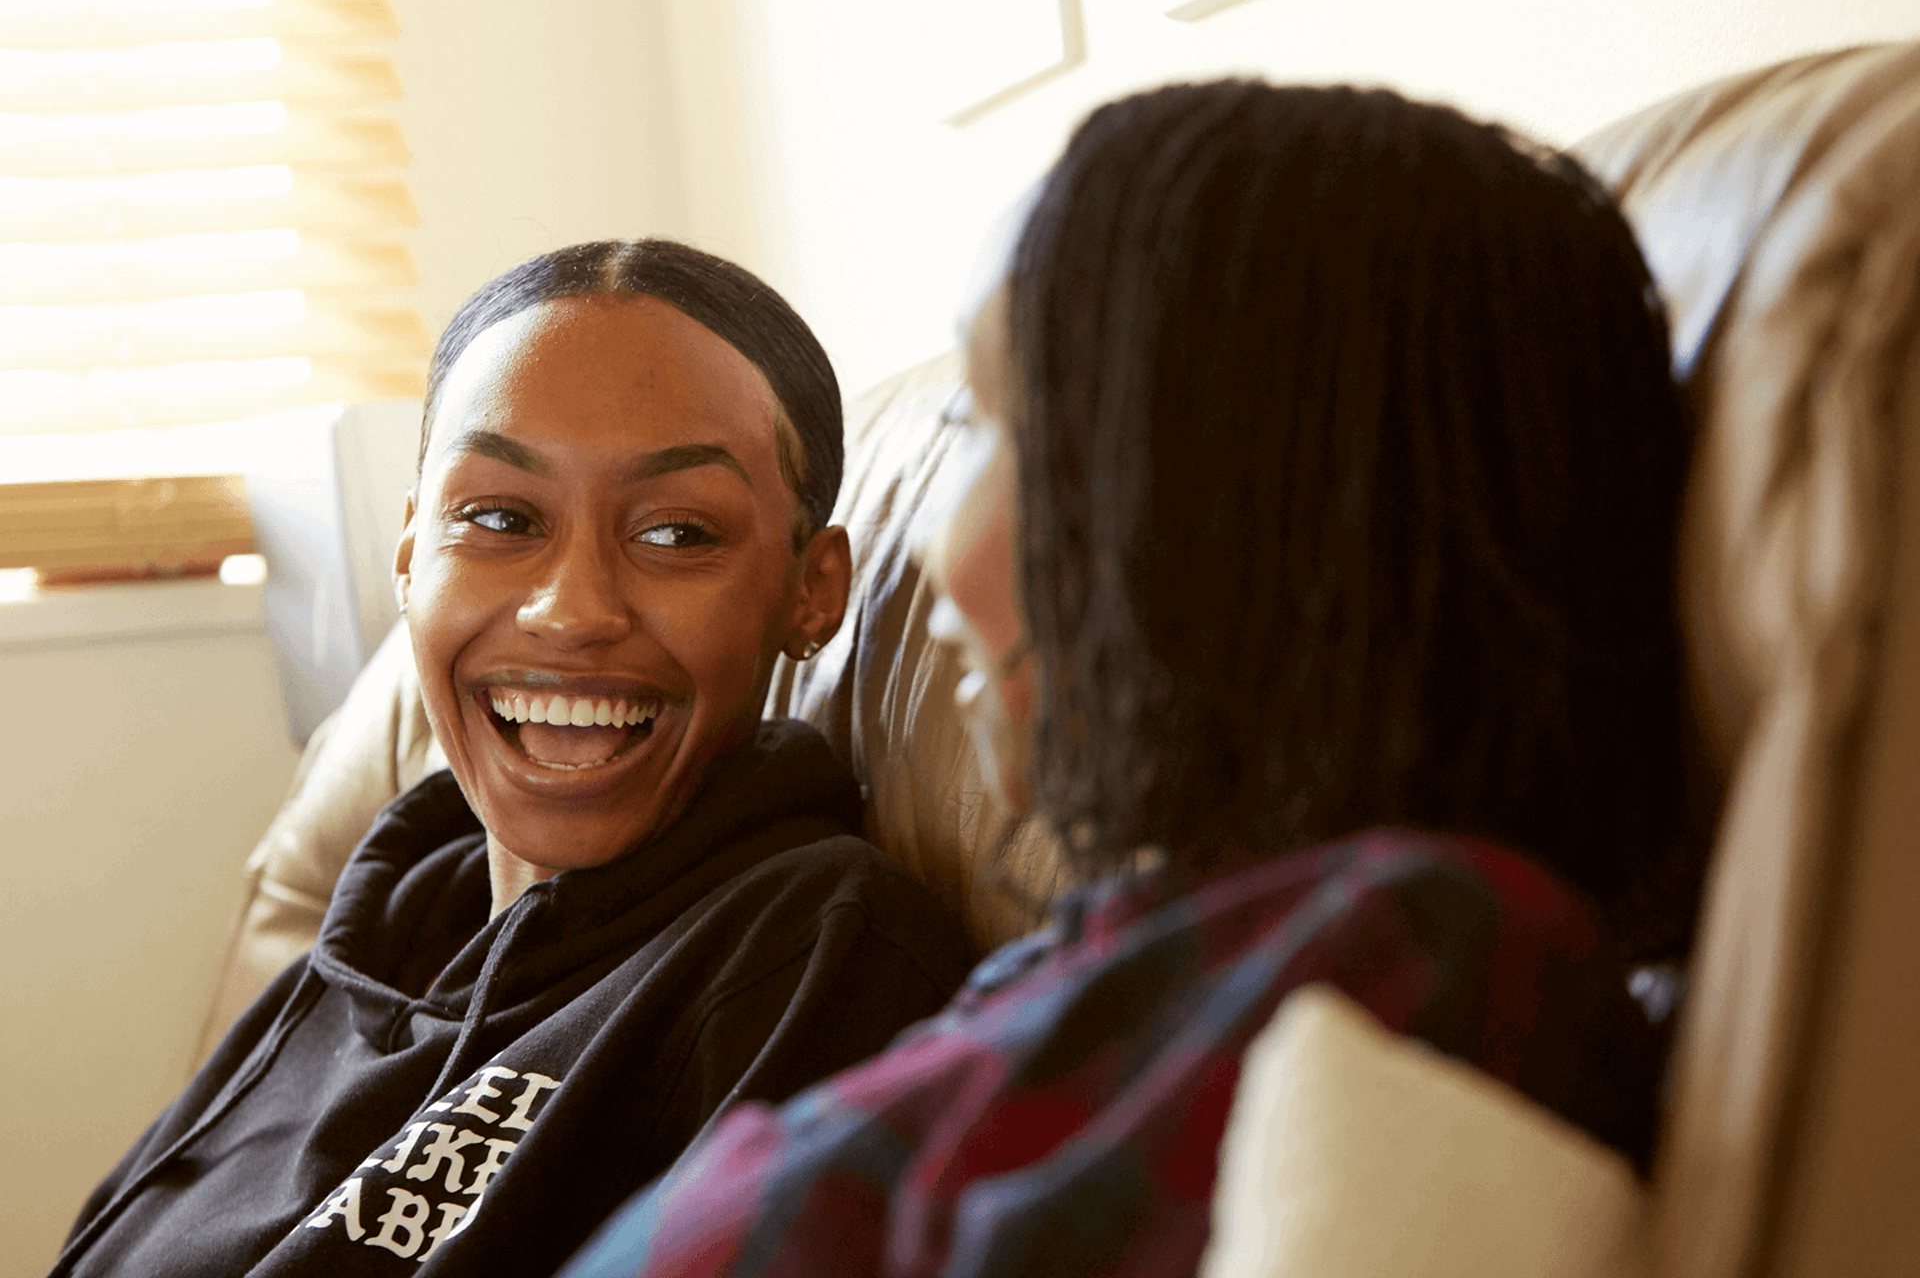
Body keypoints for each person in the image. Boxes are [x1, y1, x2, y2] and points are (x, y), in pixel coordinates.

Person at [558, 81, 1702, 1278]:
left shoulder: (1420, 965)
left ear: (1229, 504)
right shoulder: (1123, 956)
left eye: (1000, 432)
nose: (939, 545)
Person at [52, 240, 973, 1278]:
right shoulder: (368, 940)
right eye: (498, 518)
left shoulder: (823, 957)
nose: (571, 609)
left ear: (814, 589)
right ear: (412, 556)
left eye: (675, 532)